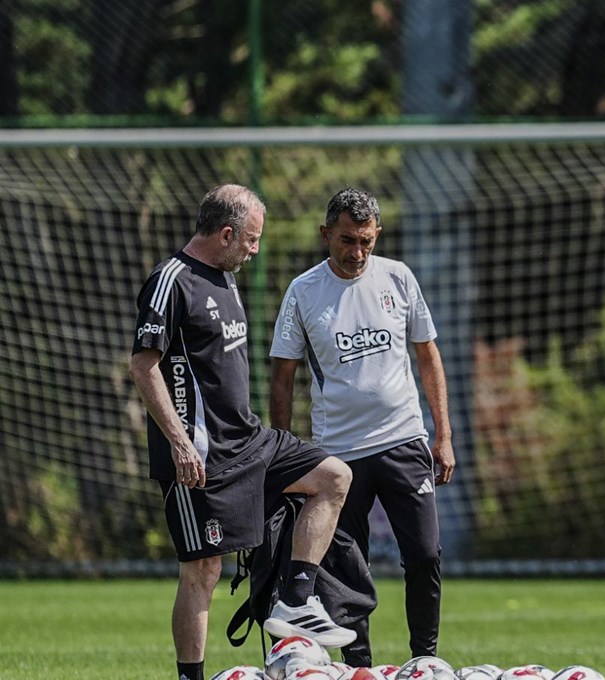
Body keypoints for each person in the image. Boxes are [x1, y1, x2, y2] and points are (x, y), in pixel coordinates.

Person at [129, 184, 356, 680]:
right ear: (226, 233)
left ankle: (296, 600)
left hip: (250, 441)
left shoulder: (227, 278)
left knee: (334, 477)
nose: (255, 250)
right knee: (204, 571)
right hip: (201, 459)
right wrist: (179, 441)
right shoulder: (171, 281)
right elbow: (143, 366)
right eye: (251, 240)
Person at [269, 187, 455, 666]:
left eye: (366, 242)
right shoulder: (303, 292)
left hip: (404, 440)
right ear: (325, 234)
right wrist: (284, 457)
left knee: (426, 554)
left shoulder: (399, 277)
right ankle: (358, 669)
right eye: (347, 241)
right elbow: (283, 376)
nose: (357, 253)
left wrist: (444, 434)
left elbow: (428, 355)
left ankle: (424, 661)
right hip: (339, 455)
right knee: (347, 570)